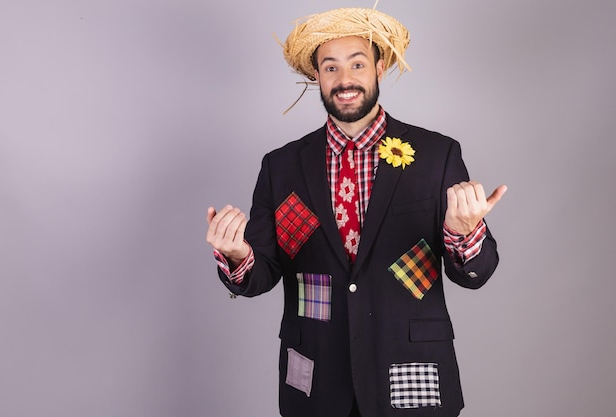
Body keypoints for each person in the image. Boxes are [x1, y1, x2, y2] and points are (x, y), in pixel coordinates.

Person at [205, 6, 506, 417]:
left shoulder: (438, 155)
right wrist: (238, 256)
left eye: (357, 63)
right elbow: (261, 275)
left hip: (410, 369)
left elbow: (477, 274)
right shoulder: (281, 166)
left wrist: (464, 233)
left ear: (380, 67)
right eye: (330, 68)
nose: (344, 80)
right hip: (316, 376)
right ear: (316, 76)